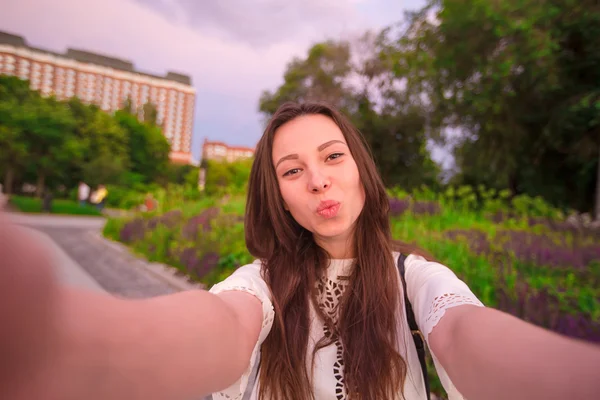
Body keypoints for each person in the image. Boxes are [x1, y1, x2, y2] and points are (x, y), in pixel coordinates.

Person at [0, 102, 599, 400]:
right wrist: (75, 340)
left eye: (333, 156)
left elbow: (468, 335)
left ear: (361, 169)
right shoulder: (259, 283)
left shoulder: (417, 281)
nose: (318, 180)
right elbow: (220, 327)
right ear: (280, 198)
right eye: (293, 170)